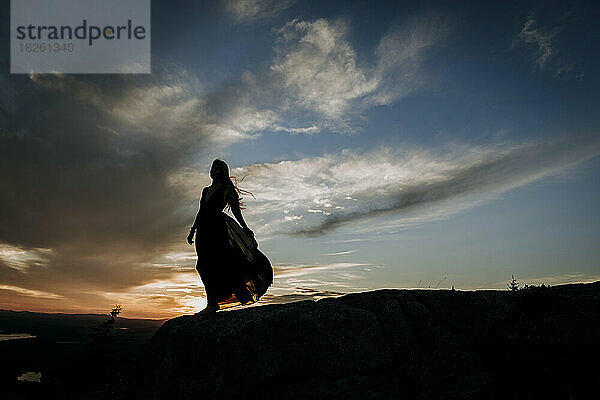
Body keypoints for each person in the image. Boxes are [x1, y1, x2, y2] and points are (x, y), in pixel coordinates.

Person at [187, 159, 273, 315]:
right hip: (203, 230)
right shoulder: (206, 190)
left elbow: (236, 211)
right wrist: (193, 230)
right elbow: (201, 211)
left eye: (218, 168)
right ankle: (212, 302)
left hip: (217, 229)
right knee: (202, 266)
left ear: (223, 172)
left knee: (218, 263)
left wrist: (245, 227)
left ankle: (215, 303)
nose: (214, 171)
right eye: (212, 168)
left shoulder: (227, 190)